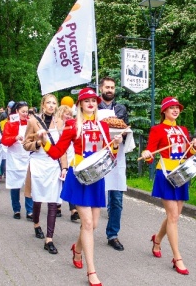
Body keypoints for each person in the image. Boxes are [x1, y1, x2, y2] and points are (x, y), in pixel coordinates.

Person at [37, 87, 122, 286]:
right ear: (80, 105)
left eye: (94, 100)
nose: (91, 104)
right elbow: (57, 152)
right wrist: (43, 141)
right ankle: (91, 271)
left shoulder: (102, 126)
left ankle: (76, 249)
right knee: (88, 224)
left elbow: (111, 155)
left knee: (93, 225)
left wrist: (115, 144)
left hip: (97, 178)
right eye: (87, 101)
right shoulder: (71, 125)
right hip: (79, 177)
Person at [141, 97, 196, 275]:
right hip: (166, 173)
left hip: (182, 173)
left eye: (177, 108)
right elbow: (150, 154)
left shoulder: (182, 130)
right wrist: (147, 154)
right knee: (173, 216)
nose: (175, 110)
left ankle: (157, 238)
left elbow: (187, 153)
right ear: (164, 111)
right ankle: (177, 257)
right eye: (171, 108)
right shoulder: (157, 129)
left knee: (174, 215)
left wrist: (195, 147)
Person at [23, 94, 68, 255]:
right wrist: (39, 142)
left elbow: (62, 147)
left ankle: (49, 238)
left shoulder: (60, 123)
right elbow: (26, 144)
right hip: (38, 163)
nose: (51, 105)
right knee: (37, 198)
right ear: (42, 105)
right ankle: (36, 224)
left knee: (53, 200)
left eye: (54, 103)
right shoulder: (33, 121)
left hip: (53, 163)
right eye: (48, 102)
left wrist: (64, 167)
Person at [98, 77, 129, 251]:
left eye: (112, 87)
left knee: (116, 197)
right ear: (101, 88)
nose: (110, 90)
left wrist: (121, 136)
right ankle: (87, 228)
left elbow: (125, 129)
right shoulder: (94, 107)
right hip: (98, 154)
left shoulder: (121, 109)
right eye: (107, 87)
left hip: (117, 156)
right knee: (93, 194)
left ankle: (113, 234)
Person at [1, 101, 33, 220]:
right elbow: (4, 140)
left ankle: (30, 210)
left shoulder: (31, 122)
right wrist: (15, 137)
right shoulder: (11, 123)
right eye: (23, 111)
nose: (25, 114)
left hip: (28, 156)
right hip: (14, 157)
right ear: (17, 111)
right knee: (15, 185)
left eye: (26, 111)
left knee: (29, 184)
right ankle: (16, 209)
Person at [56, 104, 80, 222]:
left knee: (69, 182)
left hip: (70, 156)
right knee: (58, 182)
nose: (68, 116)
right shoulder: (57, 125)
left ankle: (73, 210)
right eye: (66, 113)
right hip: (58, 156)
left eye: (70, 114)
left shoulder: (72, 126)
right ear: (60, 113)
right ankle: (57, 205)